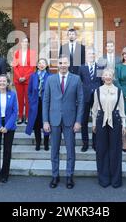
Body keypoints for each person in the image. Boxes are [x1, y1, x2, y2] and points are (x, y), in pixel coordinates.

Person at [43, 55, 84, 189]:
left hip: (70, 120)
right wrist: (45, 121)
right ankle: (55, 175)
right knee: (54, 150)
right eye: (60, 63)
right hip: (53, 120)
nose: (63, 65)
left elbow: (81, 101)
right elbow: (46, 101)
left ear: (69, 64)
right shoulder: (50, 79)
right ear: (57, 64)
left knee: (70, 150)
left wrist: (78, 121)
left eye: (65, 63)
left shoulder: (76, 79)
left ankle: (69, 176)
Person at [91, 68, 126, 188]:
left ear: (113, 77)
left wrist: (124, 125)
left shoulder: (118, 91)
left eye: (109, 75)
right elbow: (94, 109)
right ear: (102, 77)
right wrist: (94, 124)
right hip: (101, 120)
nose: (107, 77)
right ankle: (104, 179)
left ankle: (116, 180)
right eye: (105, 75)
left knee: (115, 150)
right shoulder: (98, 91)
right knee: (101, 150)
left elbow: (122, 109)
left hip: (115, 121)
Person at [0, 74, 18, 188]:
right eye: (0, 81)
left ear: (8, 83)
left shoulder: (12, 94)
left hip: (9, 124)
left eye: (4, 81)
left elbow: (15, 112)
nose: (2, 83)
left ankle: (4, 174)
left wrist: (7, 126)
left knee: (7, 150)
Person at [78, 48, 103, 152]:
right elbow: (80, 83)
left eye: (93, 54)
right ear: (86, 56)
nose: (91, 55)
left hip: (97, 97)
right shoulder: (82, 68)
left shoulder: (100, 67)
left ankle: (95, 143)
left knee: (96, 120)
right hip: (85, 97)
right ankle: (85, 143)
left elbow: (102, 83)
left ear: (95, 55)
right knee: (84, 121)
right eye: (89, 54)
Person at [25, 58, 51, 151]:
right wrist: (31, 100)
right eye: (39, 63)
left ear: (47, 65)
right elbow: (29, 90)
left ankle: (46, 143)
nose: (41, 65)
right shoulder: (33, 76)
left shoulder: (50, 76)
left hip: (46, 104)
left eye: (43, 63)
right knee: (36, 124)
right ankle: (38, 143)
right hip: (35, 103)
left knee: (46, 122)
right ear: (37, 65)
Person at [13, 37, 36, 124]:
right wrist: (19, 77)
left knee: (27, 99)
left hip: (28, 79)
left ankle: (27, 116)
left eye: (26, 42)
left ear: (28, 43)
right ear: (21, 43)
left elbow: (32, 67)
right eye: (23, 42)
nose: (25, 43)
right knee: (20, 98)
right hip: (18, 80)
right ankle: (20, 116)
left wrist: (25, 77)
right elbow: (15, 67)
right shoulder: (17, 53)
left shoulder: (32, 53)